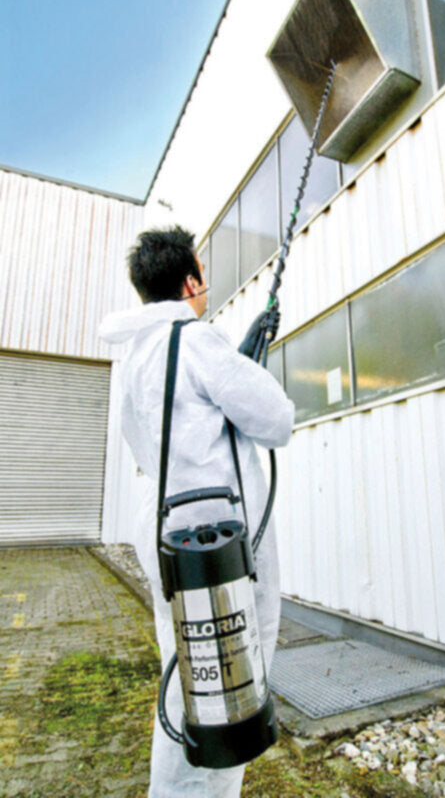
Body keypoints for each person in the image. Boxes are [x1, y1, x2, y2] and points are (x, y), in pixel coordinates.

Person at [99, 225, 294, 798]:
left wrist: (240, 359)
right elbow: (277, 421)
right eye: (202, 273)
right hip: (221, 540)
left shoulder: (138, 355)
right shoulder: (198, 340)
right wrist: (246, 366)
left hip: (167, 536)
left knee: (188, 672)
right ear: (189, 282)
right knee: (234, 678)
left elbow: (181, 428)